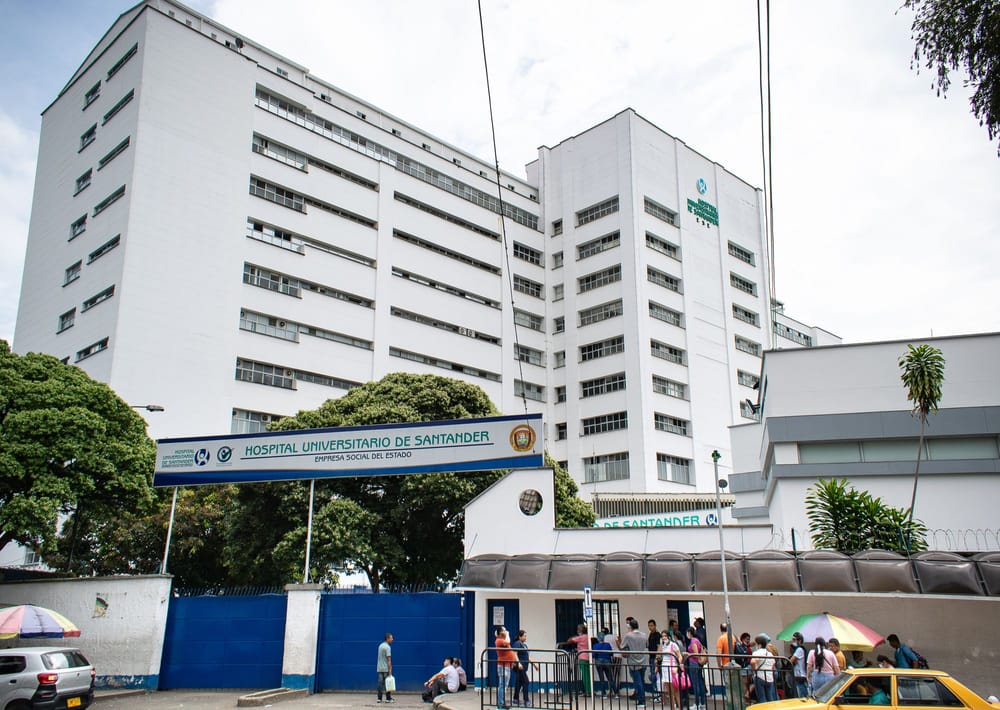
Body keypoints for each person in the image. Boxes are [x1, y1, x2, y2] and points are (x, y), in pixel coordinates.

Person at [620, 618, 648, 707]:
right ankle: (641, 698)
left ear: (630, 626)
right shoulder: (644, 635)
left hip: (633, 661)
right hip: (643, 660)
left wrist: (618, 641)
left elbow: (622, 646)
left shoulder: (629, 636)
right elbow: (646, 645)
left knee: (637, 682)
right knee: (642, 681)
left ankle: (641, 700)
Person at [511, 629, 538, 706]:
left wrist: (534, 664)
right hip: (520, 666)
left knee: (519, 682)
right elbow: (515, 654)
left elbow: (527, 656)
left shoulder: (525, 645)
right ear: (520, 637)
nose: (526, 637)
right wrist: (518, 663)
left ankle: (515, 699)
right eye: (524, 636)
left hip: (524, 666)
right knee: (526, 681)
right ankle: (526, 700)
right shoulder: (517, 643)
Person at [659, 629, 684, 710]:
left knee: (675, 690)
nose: (664, 638)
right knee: (669, 691)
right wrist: (660, 644)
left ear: (669, 637)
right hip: (664, 667)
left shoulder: (673, 645)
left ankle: (680, 707)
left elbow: (679, 656)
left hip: (672, 667)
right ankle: (672, 707)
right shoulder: (663, 645)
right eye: (662, 636)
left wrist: (677, 666)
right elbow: (659, 655)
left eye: (665, 636)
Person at [685, 626, 708, 710]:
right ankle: (702, 703)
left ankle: (697, 703)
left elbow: (696, 654)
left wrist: (688, 654)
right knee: (700, 682)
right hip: (697, 664)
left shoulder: (693, 641)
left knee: (696, 684)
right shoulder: (697, 640)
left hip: (694, 663)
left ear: (689, 633)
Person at [750, 633, 777, 703]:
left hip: (760, 676)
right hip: (769, 677)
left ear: (759, 644)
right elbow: (773, 663)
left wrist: (754, 670)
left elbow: (752, 662)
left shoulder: (756, 653)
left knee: (762, 697)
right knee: (770, 697)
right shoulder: (770, 654)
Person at [567, 624, 591, 694]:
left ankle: (587, 691)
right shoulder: (587, 637)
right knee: (588, 675)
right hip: (588, 657)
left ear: (580, 630)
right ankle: (589, 690)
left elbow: (569, 640)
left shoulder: (580, 637)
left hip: (582, 658)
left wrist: (574, 637)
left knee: (584, 676)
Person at [496, 627, 517, 709]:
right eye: (504, 630)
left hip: (507, 665)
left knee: (504, 685)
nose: (506, 631)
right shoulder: (499, 640)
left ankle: (502, 703)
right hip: (503, 665)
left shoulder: (502, 640)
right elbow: (508, 641)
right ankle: (501, 704)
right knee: (502, 685)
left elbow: (510, 649)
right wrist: (507, 634)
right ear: (501, 632)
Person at [594, 633, 618, 698]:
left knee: (601, 679)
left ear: (598, 638)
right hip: (607, 661)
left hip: (599, 662)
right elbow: (611, 653)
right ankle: (616, 693)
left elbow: (594, 655)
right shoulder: (607, 645)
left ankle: (603, 694)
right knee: (610, 678)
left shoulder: (596, 645)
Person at [733, 632, 754, 702]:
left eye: (749, 639)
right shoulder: (742, 646)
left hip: (747, 667)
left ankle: (746, 697)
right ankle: (745, 698)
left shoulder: (744, 646)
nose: (748, 640)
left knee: (747, 683)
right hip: (745, 667)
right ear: (742, 639)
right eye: (746, 639)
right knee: (745, 684)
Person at [377, 632, 395, 704]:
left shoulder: (380, 646)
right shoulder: (388, 647)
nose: (392, 639)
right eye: (391, 638)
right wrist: (390, 670)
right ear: (387, 638)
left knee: (380, 684)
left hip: (380, 668)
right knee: (388, 684)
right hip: (386, 669)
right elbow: (388, 659)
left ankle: (379, 699)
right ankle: (388, 699)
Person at [789, 632, 808, 699]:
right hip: (800, 674)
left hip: (799, 675)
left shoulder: (799, 649)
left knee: (801, 694)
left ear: (799, 640)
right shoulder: (799, 649)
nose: (793, 642)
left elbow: (791, 660)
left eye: (794, 640)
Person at [647, 620, 661, 697]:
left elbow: (659, 647)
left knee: (655, 676)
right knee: (652, 676)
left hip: (655, 658)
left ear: (655, 626)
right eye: (649, 625)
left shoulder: (657, 635)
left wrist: (657, 658)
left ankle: (658, 694)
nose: (650, 627)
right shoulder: (650, 634)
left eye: (652, 625)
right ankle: (655, 693)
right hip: (651, 657)